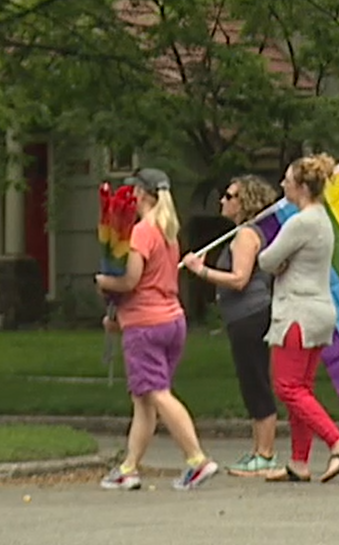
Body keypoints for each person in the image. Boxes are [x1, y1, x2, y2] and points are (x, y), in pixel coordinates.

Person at [94, 168, 219, 491]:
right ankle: (129, 467)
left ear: (143, 194)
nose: (130, 197)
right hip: (172, 319)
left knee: (158, 393)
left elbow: (130, 281)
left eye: (133, 191)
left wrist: (104, 281)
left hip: (145, 325)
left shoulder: (141, 232)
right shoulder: (168, 232)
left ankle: (197, 460)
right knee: (144, 399)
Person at [257, 153, 339, 484]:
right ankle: (299, 462)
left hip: (297, 313)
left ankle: (338, 442)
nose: (283, 184)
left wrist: (280, 263)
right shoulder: (322, 219)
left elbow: (266, 260)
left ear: (302, 187)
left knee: (287, 386)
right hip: (318, 311)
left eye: (288, 180)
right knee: (301, 388)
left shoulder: (301, 222)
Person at [181, 175, 280, 477]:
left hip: (250, 316)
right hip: (243, 317)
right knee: (250, 380)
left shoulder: (246, 235)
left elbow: (239, 279)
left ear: (245, 201)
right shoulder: (243, 233)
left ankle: (265, 453)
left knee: (255, 381)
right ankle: (258, 450)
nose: (222, 201)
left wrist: (201, 271)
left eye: (229, 196)